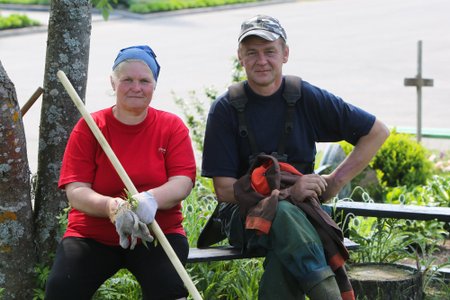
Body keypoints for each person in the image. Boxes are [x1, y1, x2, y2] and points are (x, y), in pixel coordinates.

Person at [201, 15, 390, 300]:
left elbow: (377, 132)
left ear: (285, 53)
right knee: (286, 214)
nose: (261, 60)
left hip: (302, 215)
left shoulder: (305, 97)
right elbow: (225, 191)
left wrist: (335, 182)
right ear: (240, 57)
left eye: (269, 51)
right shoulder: (226, 108)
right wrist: (290, 192)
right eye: (252, 52)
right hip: (244, 217)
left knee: (286, 247)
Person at [45, 45, 196, 300]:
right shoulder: (89, 127)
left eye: (144, 81)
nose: (136, 87)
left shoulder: (171, 127)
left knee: (168, 288)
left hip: (157, 231)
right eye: (127, 79)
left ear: (154, 85)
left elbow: (182, 182)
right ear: (113, 82)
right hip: (93, 235)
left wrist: (149, 200)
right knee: (62, 288)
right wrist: (111, 207)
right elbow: (76, 191)